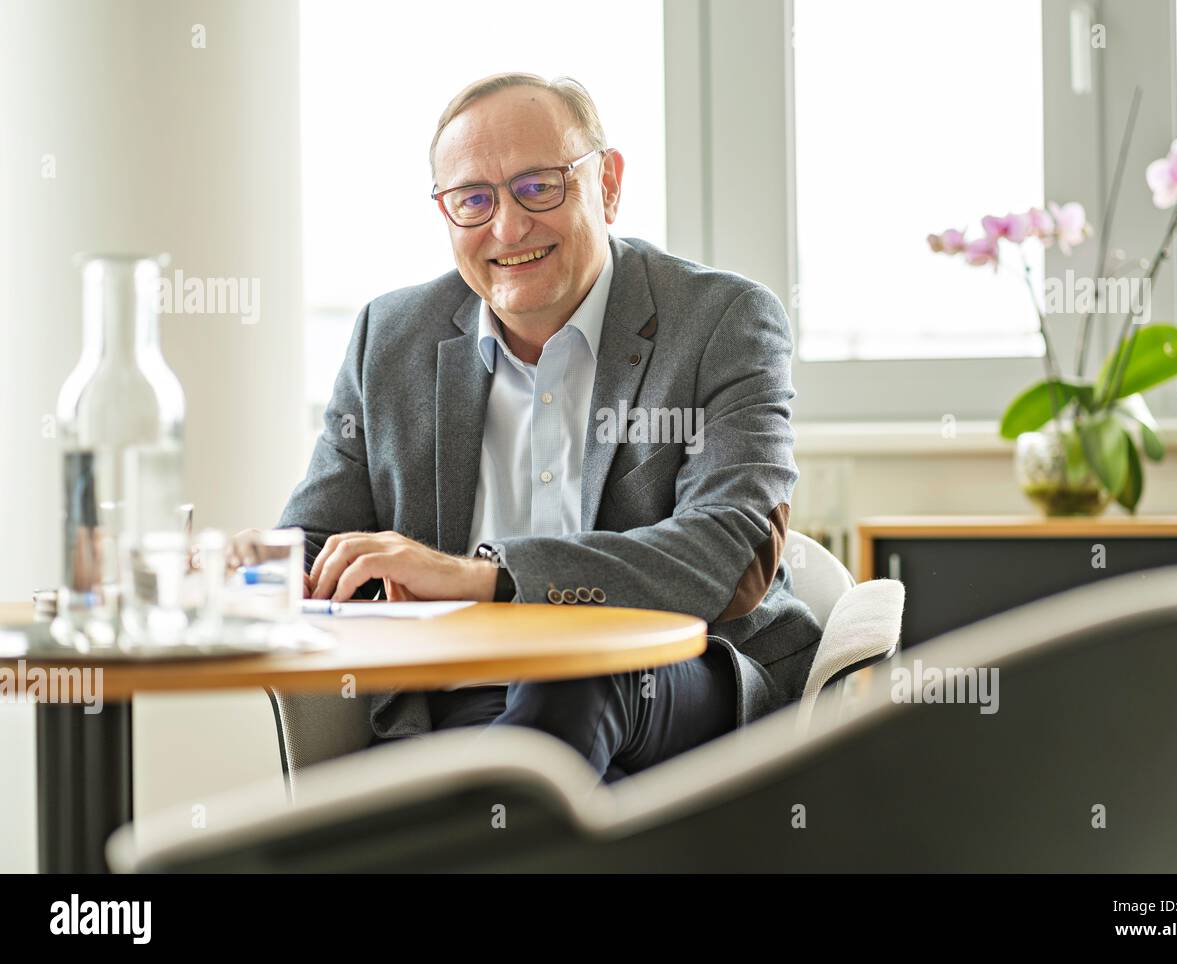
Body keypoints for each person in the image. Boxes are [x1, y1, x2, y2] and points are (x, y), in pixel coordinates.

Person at [262, 72, 819, 781]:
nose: (507, 227)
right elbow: (317, 543)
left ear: (607, 184)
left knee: (575, 670)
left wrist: (484, 578)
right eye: (474, 199)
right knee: (557, 782)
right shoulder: (391, 337)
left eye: (538, 187)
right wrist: (258, 568)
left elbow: (729, 553)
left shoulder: (722, 320)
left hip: (674, 682)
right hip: (463, 703)